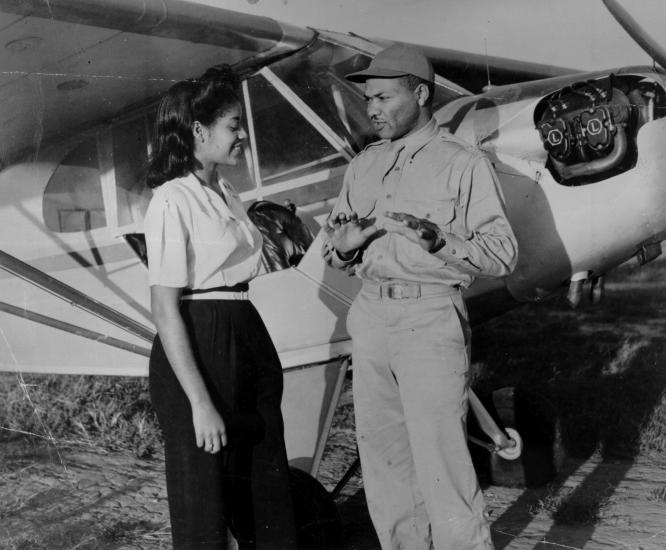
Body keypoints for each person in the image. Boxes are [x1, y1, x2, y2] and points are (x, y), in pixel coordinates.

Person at [323, 44, 518, 550]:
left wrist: (440, 241)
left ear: (422, 93)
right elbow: (335, 251)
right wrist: (343, 251)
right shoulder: (362, 166)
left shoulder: (463, 164)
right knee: (386, 469)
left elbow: (501, 254)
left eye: (384, 97)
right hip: (370, 318)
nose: (371, 109)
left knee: (443, 468)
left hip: (430, 317)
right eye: (368, 99)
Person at [144, 66, 297, 550]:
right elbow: (165, 309)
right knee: (203, 501)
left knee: (265, 483)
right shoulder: (172, 201)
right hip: (198, 342)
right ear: (197, 131)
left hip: (242, 329)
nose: (243, 134)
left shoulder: (225, 193)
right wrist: (201, 403)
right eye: (233, 125)